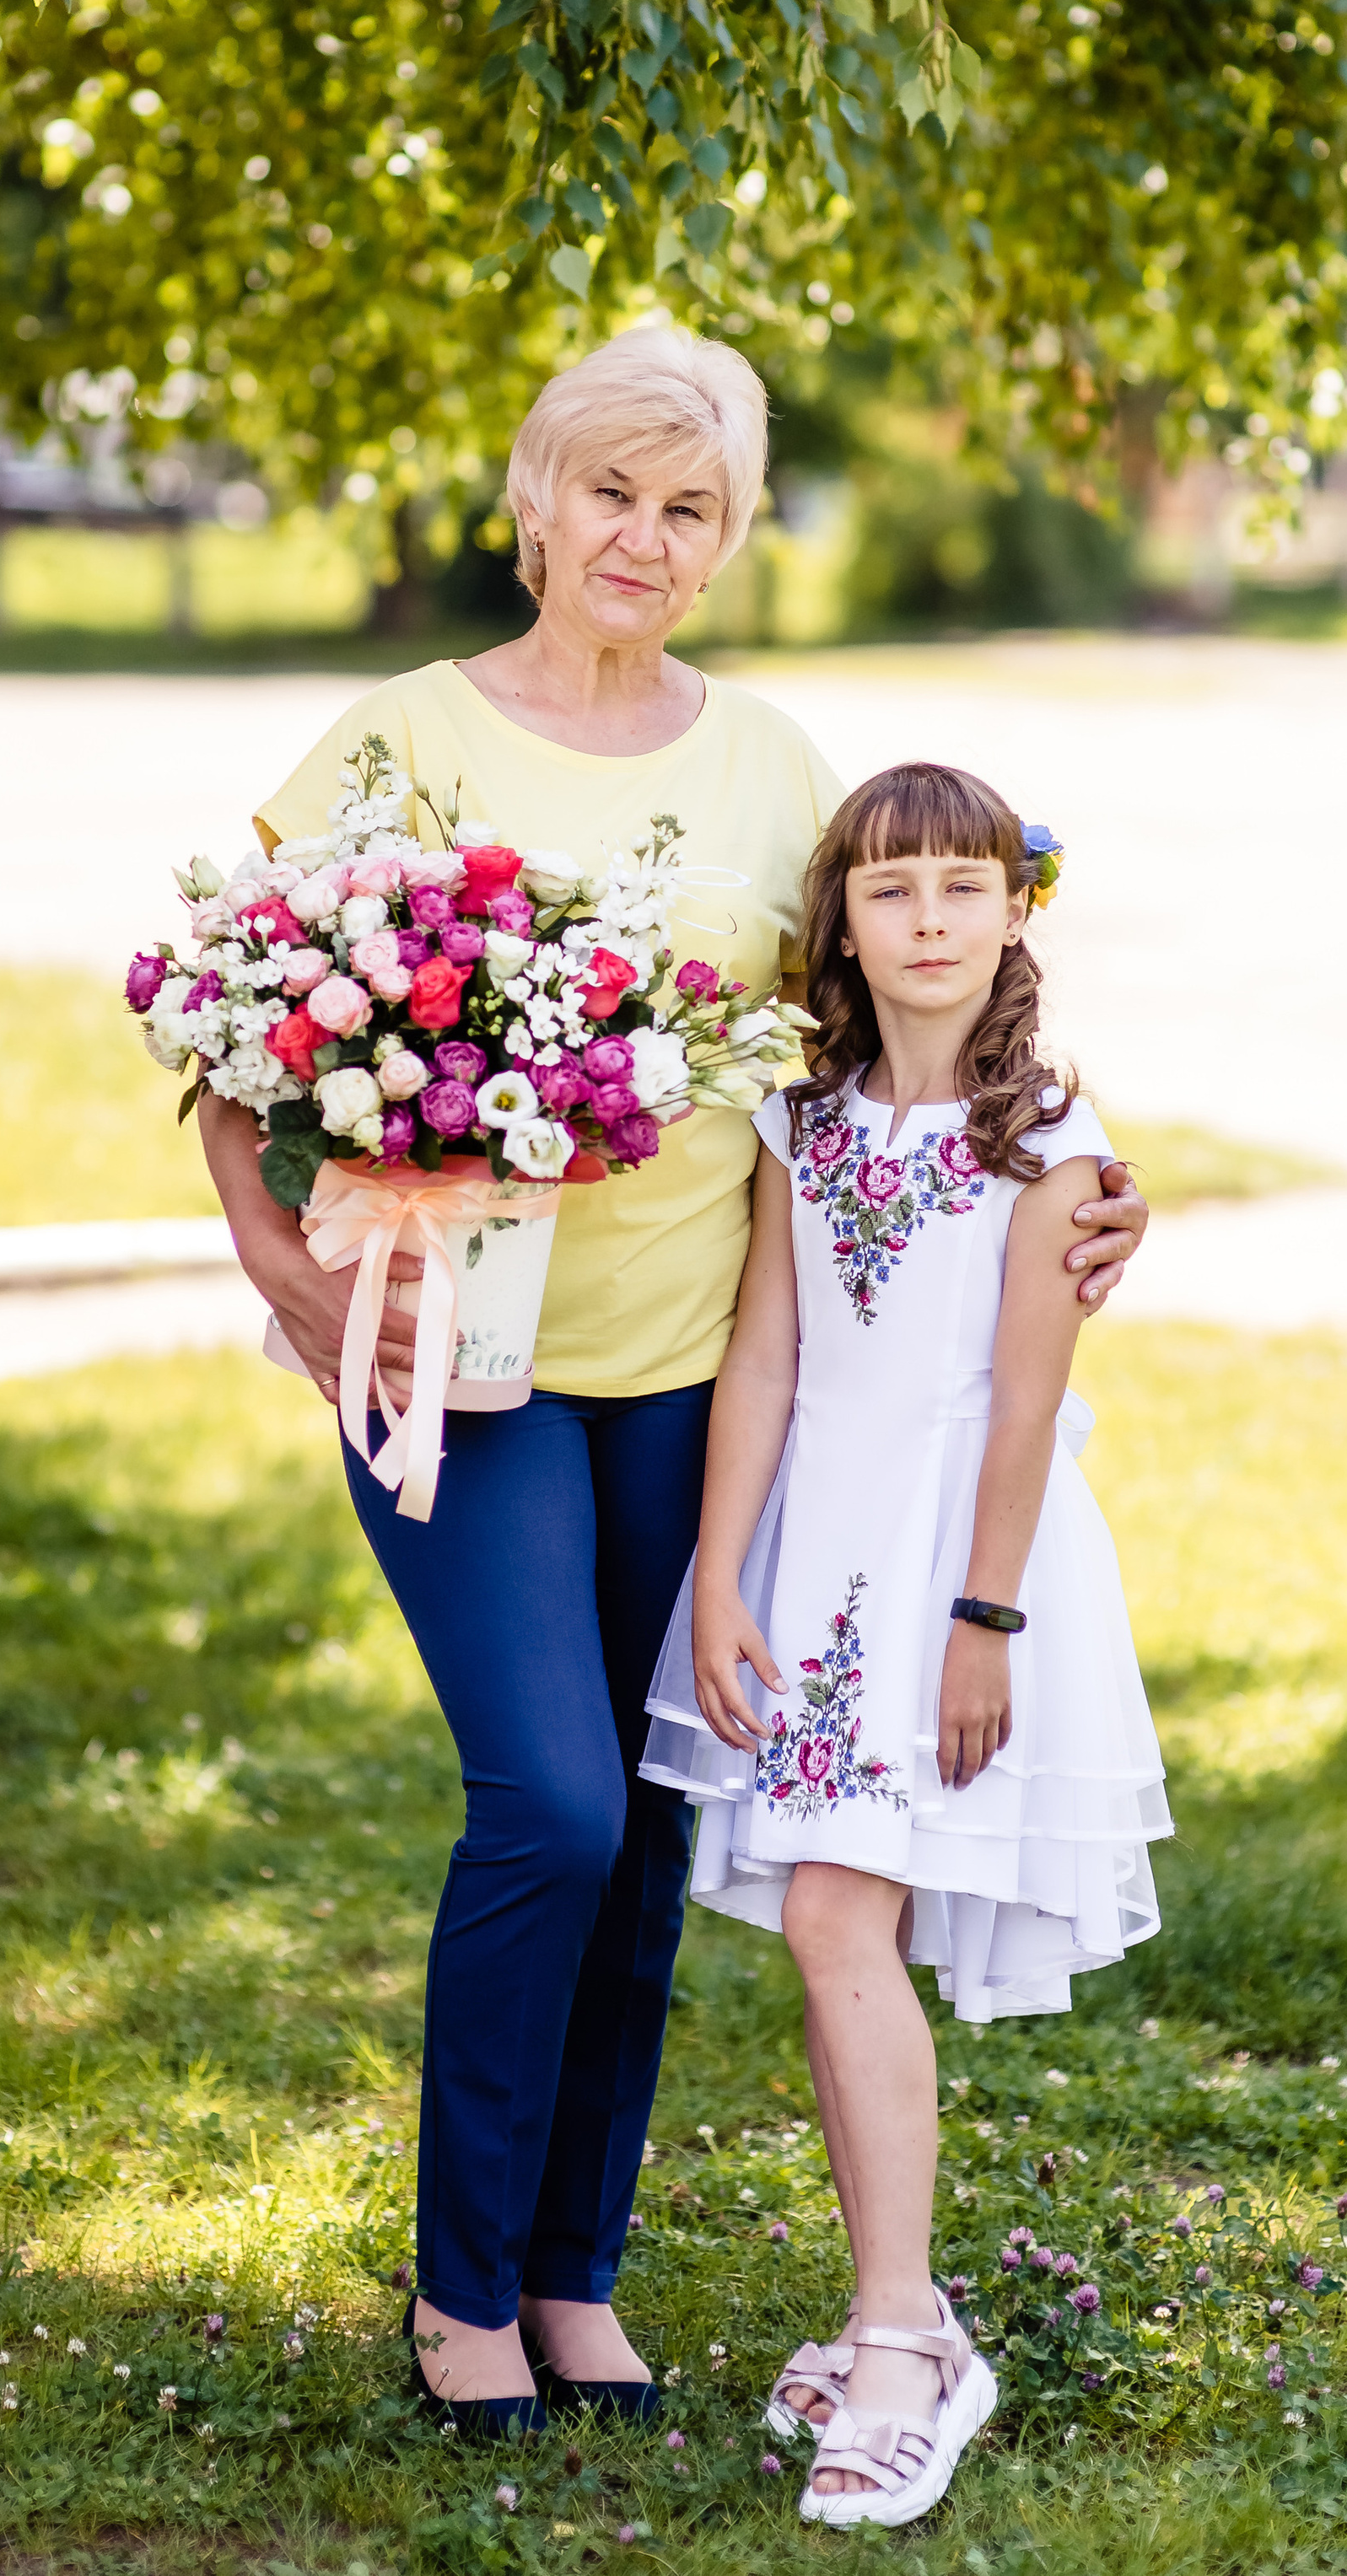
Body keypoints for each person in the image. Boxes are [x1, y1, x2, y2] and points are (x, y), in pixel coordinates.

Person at [197, 321, 1150, 2433]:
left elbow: (902, 1033)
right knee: (541, 1798)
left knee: (637, 1828)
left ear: (723, 543)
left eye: (687, 508)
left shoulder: (769, 766)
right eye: (609, 493)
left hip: (708, 1381)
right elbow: (230, 1025)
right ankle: (458, 2287)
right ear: (532, 504)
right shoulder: (400, 741)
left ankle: (571, 2275)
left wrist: (1071, 1188)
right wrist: (283, 1273)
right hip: (458, 1369)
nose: (642, 537)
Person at [640, 760, 1169, 2526]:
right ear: (841, 924)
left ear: (1016, 910)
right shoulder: (804, 1119)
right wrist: (718, 1575)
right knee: (819, 1916)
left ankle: (898, 2338)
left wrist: (983, 1621)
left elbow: (1025, 1403)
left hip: (957, 1555)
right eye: (891, 892)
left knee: (828, 1914)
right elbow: (767, 1361)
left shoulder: (1049, 1145)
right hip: (810, 1560)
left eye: (962, 887)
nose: (928, 921)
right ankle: (905, 2312)